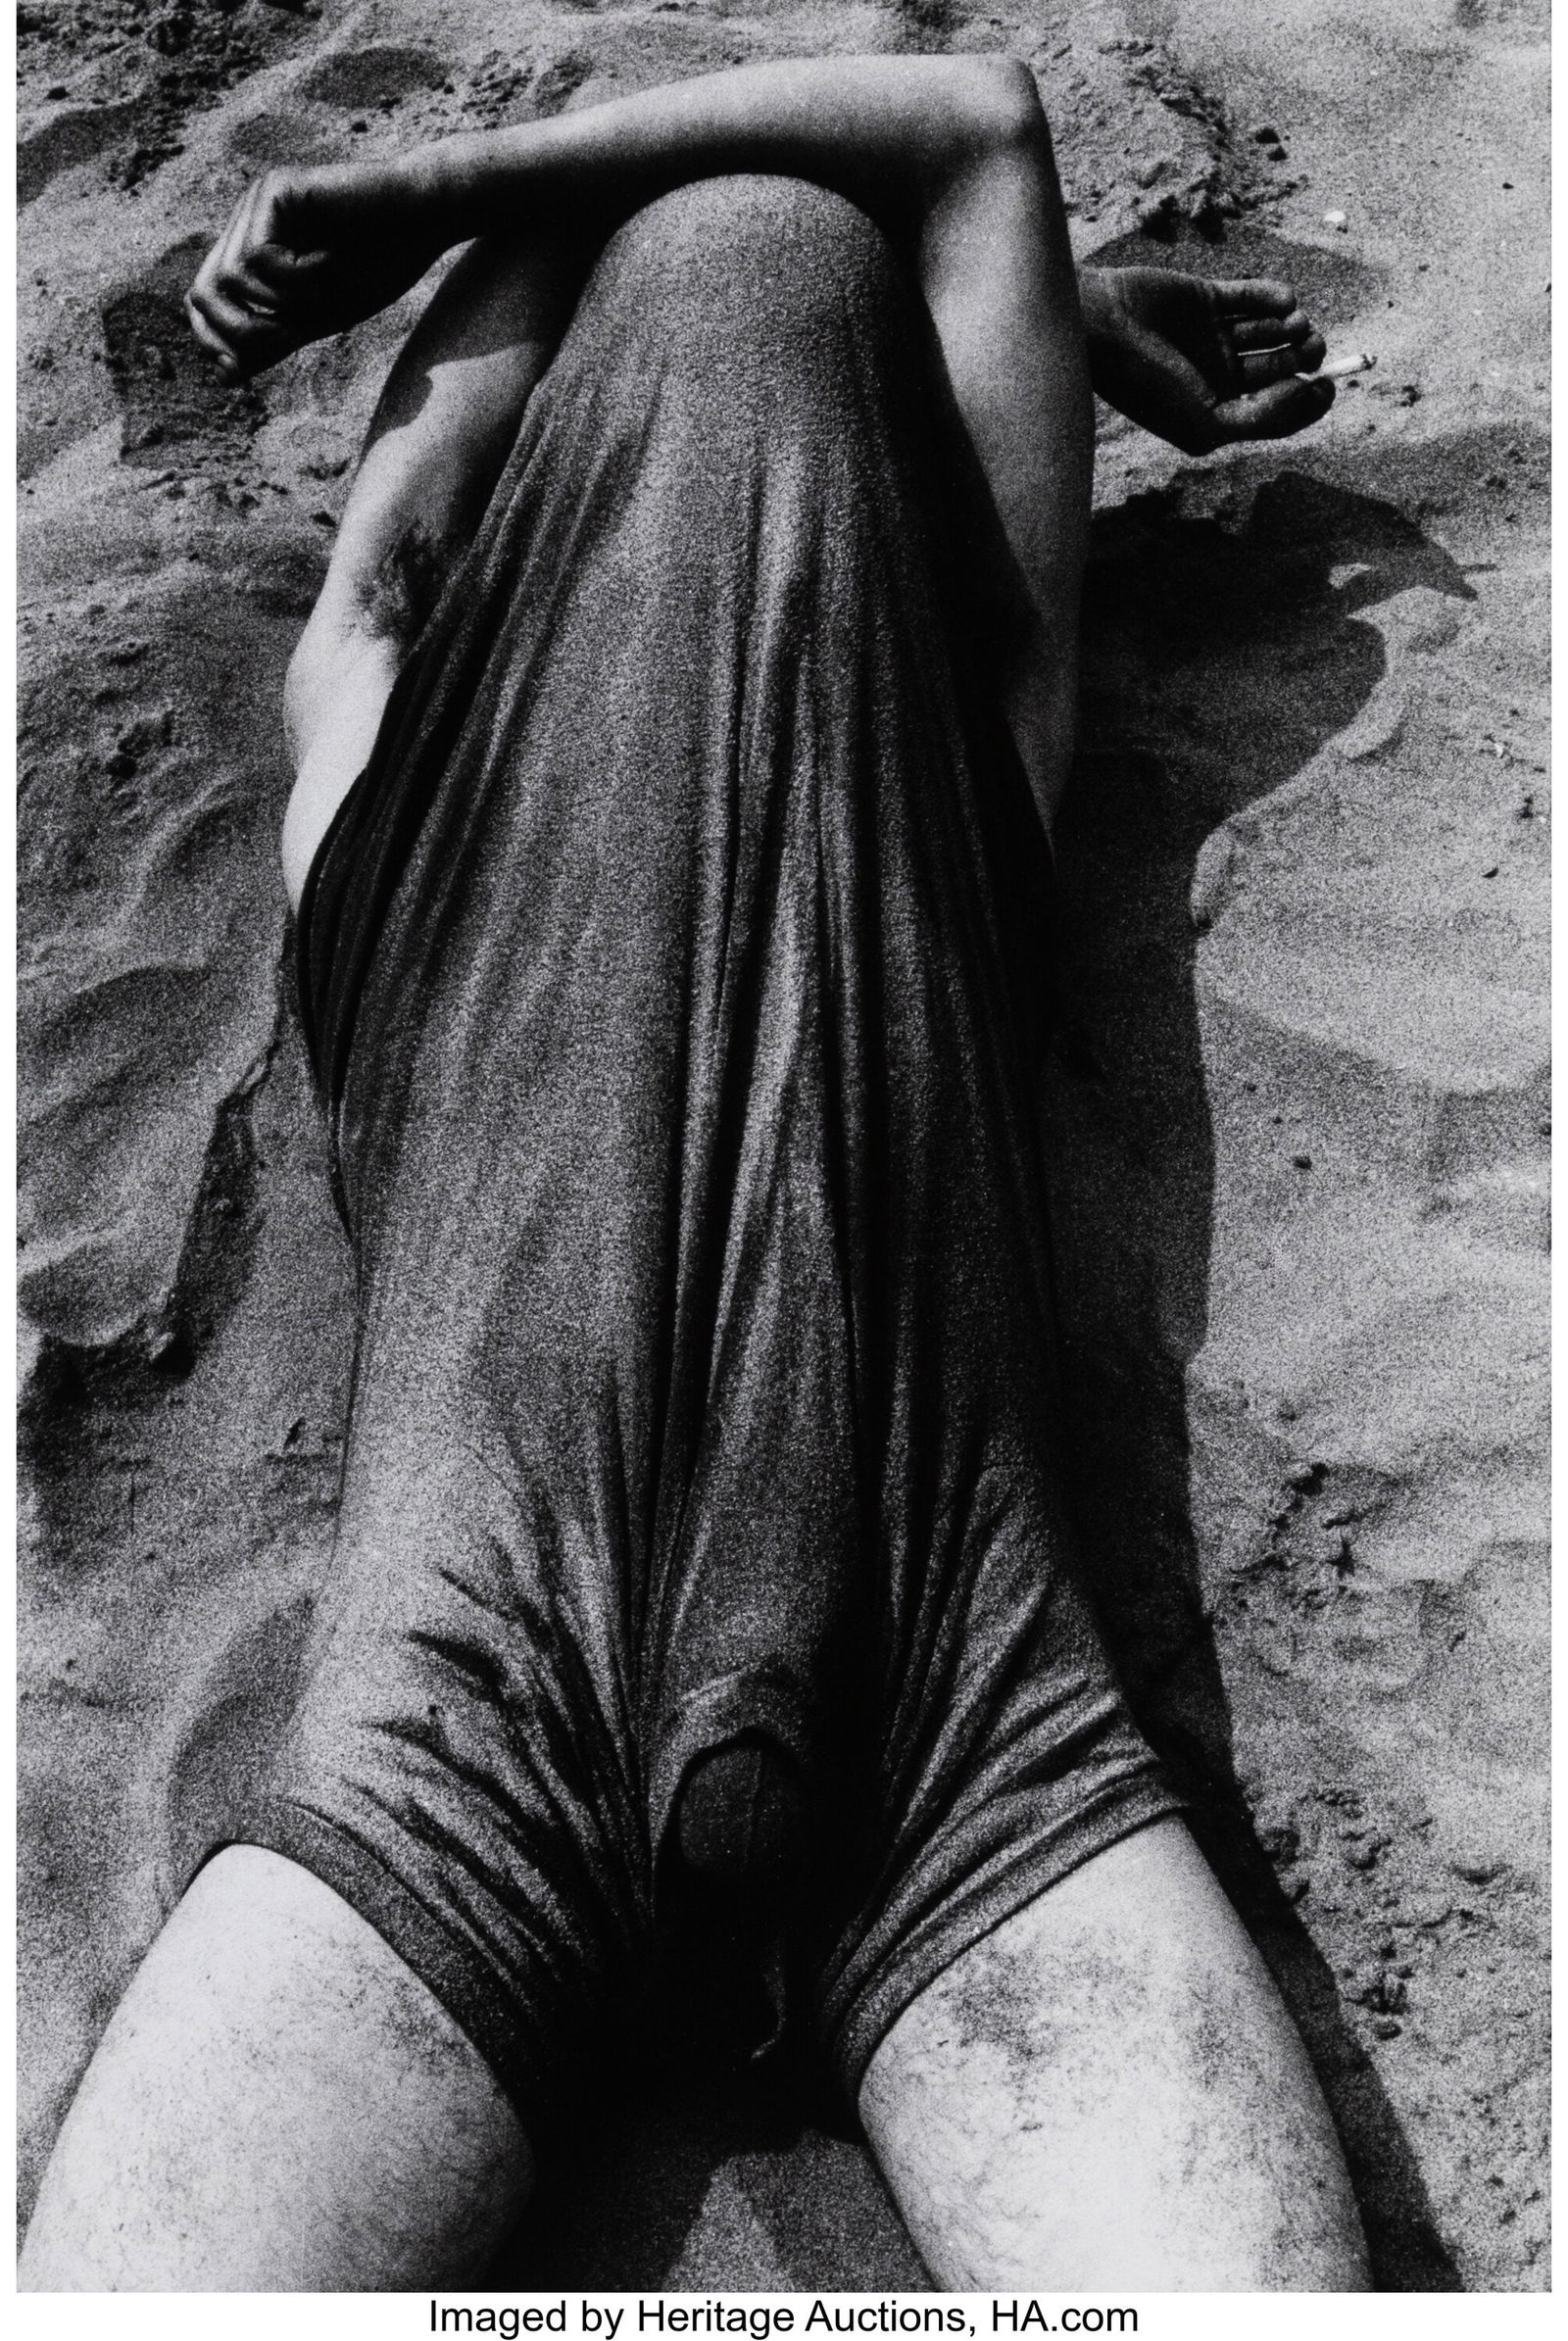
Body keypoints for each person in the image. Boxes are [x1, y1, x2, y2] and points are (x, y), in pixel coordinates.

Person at [20, 56, 1368, 2292]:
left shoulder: (379, 767)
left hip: (549, 1743)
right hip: (914, 1736)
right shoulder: (969, 759)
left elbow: (956, 140)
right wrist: (472, 196)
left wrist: (447, 206)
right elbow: (958, 142)